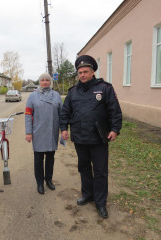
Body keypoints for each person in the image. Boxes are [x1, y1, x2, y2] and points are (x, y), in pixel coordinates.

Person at [60, 55, 122, 218]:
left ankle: (100, 202)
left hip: (98, 138)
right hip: (80, 137)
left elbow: (114, 110)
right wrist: (63, 128)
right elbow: (66, 111)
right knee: (84, 168)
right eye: (80, 72)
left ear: (93, 72)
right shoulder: (73, 92)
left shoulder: (105, 88)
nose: (82, 75)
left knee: (100, 171)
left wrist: (115, 129)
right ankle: (87, 194)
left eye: (85, 71)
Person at [25, 73, 63, 195]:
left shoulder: (56, 96)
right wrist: (29, 132)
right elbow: (28, 116)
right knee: (38, 159)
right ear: (39, 82)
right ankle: (40, 183)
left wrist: (63, 129)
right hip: (38, 132)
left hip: (52, 131)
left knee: (50, 158)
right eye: (42, 80)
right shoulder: (32, 96)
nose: (45, 82)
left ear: (50, 82)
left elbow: (62, 114)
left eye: (47, 80)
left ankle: (49, 180)